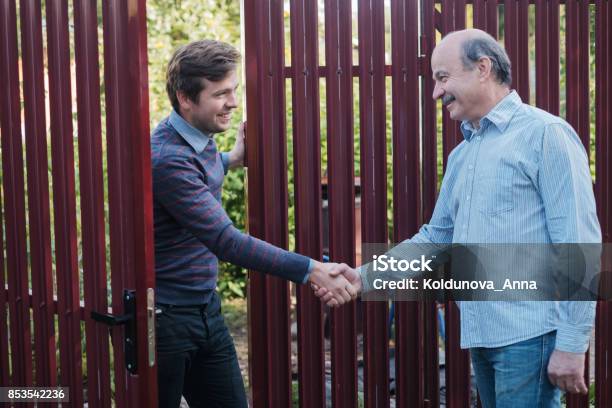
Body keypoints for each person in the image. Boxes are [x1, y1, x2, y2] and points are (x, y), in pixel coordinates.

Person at [317, 29, 601, 407]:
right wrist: (363, 276)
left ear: (483, 68)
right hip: (481, 335)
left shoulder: (545, 135)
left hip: (531, 336)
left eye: (442, 77)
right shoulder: (462, 156)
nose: (436, 92)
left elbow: (579, 240)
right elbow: (435, 238)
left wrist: (571, 342)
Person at [151, 39, 357, 408]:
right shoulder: (169, 159)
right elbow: (226, 240)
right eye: (221, 94)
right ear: (185, 97)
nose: (233, 102)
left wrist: (232, 158)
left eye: (234, 91)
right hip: (168, 321)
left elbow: (202, 170)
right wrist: (311, 270)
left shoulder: (196, 140)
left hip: (204, 310)